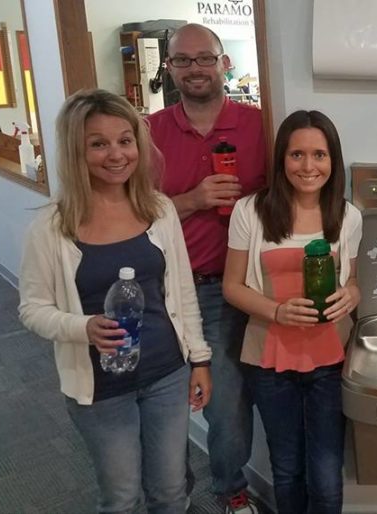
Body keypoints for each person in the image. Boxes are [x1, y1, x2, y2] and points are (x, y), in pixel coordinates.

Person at [18, 89, 212, 513]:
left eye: (125, 141)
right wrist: (82, 327)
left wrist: (199, 359)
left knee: (171, 492)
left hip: (166, 373)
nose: (116, 154)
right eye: (98, 143)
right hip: (101, 387)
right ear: (76, 150)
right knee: (122, 498)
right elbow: (31, 308)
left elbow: (181, 292)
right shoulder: (52, 226)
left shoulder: (158, 209)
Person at [147, 23, 267, 513]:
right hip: (163, 289)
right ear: (169, 68)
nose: (194, 69)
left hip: (230, 289)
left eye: (204, 58)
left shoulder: (262, 124)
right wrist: (191, 200)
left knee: (226, 405)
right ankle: (172, 495)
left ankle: (230, 493)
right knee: (161, 403)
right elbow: (133, 213)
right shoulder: (147, 132)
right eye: (182, 60)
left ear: (223, 63)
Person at [222, 110, 361, 514]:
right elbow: (232, 286)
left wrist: (352, 294)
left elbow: (354, 283)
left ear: (333, 160)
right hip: (270, 359)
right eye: (297, 154)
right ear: (281, 159)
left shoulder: (348, 216)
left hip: (329, 360)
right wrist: (277, 312)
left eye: (319, 154)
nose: (308, 166)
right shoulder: (251, 211)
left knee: (326, 472)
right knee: (286, 469)